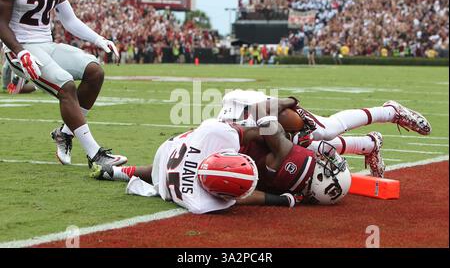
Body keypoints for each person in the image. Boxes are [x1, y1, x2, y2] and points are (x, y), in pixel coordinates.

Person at [90, 100, 353, 212]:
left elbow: (260, 113)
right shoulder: (202, 205)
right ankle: (121, 172)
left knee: (274, 124)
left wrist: (288, 102)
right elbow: (243, 194)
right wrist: (284, 200)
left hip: (170, 151)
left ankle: (120, 171)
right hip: (166, 180)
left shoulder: (218, 137)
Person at [0, 0, 127, 168]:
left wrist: (98, 39)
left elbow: (69, 19)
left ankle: (65, 134)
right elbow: (1, 21)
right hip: (20, 48)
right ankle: (96, 156)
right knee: (66, 86)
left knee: (95, 72)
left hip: (46, 44)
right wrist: (20, 51)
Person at [217, 90, 432, 178]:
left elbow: (278, 113)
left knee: (325, 130)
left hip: (270, 110)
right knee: (307, 149)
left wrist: (293, 115)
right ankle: (370, 143)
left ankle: (390, 112)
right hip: (257, 124)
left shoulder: (252, 120)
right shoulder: (226, 144)